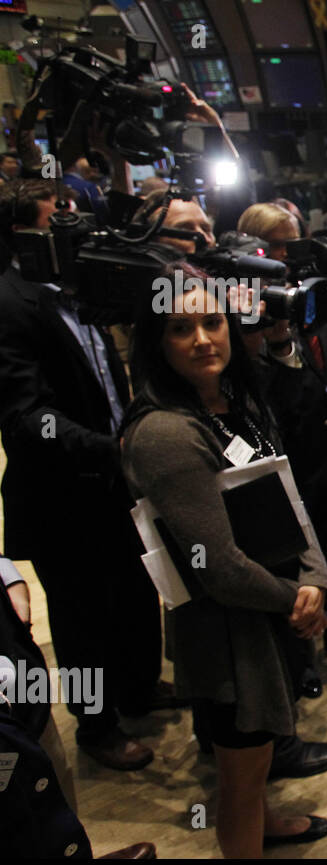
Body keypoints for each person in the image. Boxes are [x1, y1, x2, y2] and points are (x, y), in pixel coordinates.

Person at [121, 262, 327, 857]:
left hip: (272, 607)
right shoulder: (164, 432)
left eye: (212, 322)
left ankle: (264, 824)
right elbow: (214, 564)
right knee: (239, 775)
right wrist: (298, 600)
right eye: (180, 329)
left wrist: (316, 579)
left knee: (259, 754)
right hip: (229, 628)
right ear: (155, 341)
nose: (202, 340)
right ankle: (251, 831)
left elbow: (287, 495)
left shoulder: (236, 398)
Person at [0, 179, 170, 772]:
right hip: (60, 499)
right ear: (26, 235)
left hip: (114, 483)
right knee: (80, 620)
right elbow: (27, 419)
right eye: (59, 223)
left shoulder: (84, 292)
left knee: (133, 592)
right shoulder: (10, 302)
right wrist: (111, 447)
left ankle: (139, 687)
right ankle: (97, 728)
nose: (75, 234)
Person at [235, 202, 327, 674]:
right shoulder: (240, 308)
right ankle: (300, 661)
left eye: (292, 242)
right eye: (276, 245)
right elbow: (253, 390)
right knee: (292, 562)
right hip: (283, 460)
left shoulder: (315, 293)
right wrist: (273, 341)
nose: (287, 255)